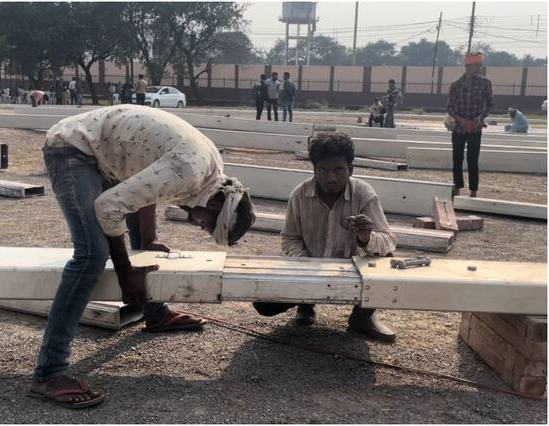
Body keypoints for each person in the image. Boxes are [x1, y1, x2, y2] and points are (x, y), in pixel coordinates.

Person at [30, 104, 256, 408]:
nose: (200, 226)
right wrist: (125, 272)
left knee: (133, 240)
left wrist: (147, 240)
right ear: (216, 206)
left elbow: (146, 184)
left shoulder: (211, 172)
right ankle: (49, 372)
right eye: (207, 226)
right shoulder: (189, 173)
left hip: (107, 152)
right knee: (91, 256)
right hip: (74, 148)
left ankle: (155, 313)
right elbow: (108, 208)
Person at [253, 132, 398, 343]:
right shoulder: (299, 195)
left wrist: (366, 238)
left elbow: (389, 240)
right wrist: (304, 264)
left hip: (351, 272)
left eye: (339, 170)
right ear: (314, 169)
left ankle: (362, 316)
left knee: (387, 260)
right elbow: (289, 238)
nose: (331, 178)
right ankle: (305, 302)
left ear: (351, 169)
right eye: (323, 170)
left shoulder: (364, 194)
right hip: (309, 270)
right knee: (264, 305)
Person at [446, 52, 493, 198]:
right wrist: (460, 119)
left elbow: (490, 104)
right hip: (459, 128)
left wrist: (480, 117)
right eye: (476, 66)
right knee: (457, 158)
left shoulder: (485, 83)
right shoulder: (455, 85)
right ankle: (457, 187)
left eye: (480, 65)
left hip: (475, 127)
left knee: (473, 159)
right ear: (468, 66)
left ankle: (473, 190)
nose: (479, 68)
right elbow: (449, 107)